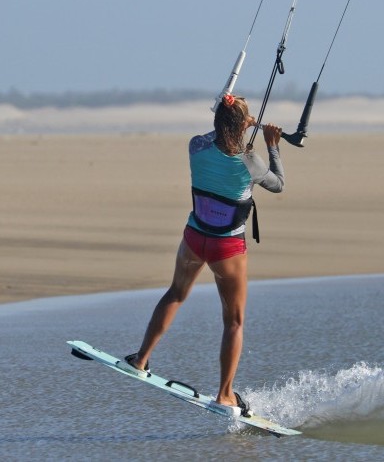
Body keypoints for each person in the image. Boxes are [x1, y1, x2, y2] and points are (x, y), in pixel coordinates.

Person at [118, 94, 284, 415]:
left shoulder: (196, 145)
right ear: (243, 123)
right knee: (233, 321)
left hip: (194, 237)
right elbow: (278, 185)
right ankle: (225, 395)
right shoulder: (251, 161)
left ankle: (140, 359)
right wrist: (272, 143)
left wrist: (234, 119)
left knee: (176, 293)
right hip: (227, 247)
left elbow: (216, 134)